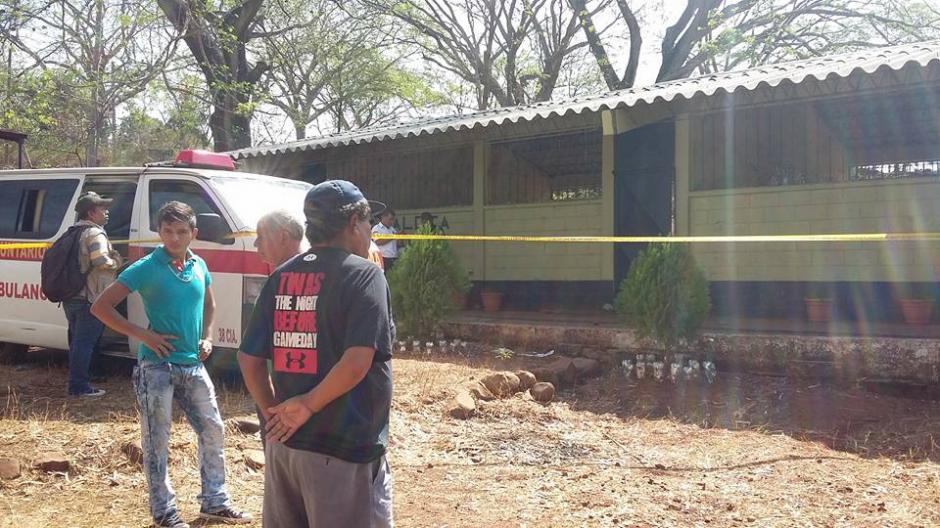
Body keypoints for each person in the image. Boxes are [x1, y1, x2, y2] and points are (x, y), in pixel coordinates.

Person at [238, 180, 394, 528]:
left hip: (286, 448)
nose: (370, 231)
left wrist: (274, 417)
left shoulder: (281, 275)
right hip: (341, 450)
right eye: (369, 222)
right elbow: (357, 361)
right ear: (354, 221)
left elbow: (248, 359)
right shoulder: (364, 274)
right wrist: (307, 405)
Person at [91, 202, 250, 528]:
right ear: (160, 233)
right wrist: (142, 335)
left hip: (193, 364)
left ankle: (215, 502)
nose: (174, 238)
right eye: (167, 231)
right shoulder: (146, 266)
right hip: (156, 368)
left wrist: (208, 337)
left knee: (213, 430)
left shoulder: (199, 264)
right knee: (156, 441)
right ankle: (164, 513)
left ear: (194, 233)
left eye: (181, 232)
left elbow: (210, 303)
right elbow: (101, 306)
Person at [65, 191, 122, 397]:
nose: (107, 213)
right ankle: (78, 387)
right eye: (103, 209)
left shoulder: (73, 231)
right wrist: (116, 262)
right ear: (91, 212)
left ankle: (78, 381)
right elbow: (100, 261)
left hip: (71, 296)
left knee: (77, 342)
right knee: (84, 343)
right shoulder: (94, 233)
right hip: (90, 297)